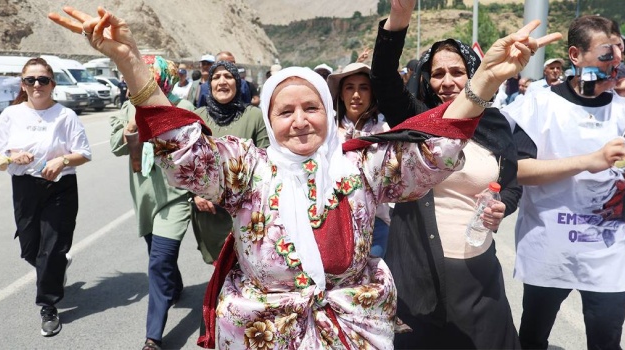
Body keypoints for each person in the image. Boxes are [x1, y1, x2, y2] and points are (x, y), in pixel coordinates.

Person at [48, 6, 550, 347]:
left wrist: (485, 79)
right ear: (269, 119)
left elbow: (433, 151)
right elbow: (184, 151)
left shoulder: (363, 163)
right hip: (262, 330)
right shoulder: (247, 168)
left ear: (328, 114)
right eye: (285, 111)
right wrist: (130, 63)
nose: (300, 120)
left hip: (356, 324)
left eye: (311, 106)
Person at [369, 0, 549, 347]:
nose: (447, 81)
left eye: (457, 71)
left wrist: (501, 206)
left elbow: (510, 185)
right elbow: (383, 79)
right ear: (425, 77)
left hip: (479, 275)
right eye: (438, 73)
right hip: (417, 275)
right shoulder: (415, 121)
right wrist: (401, 17)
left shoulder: (496, 124)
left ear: (473, 75)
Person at [501, 15, 625, 350]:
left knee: (607, 341)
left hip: (608, 253)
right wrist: (589, 161)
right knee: (534, 338)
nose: (617, 61)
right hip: (550, 249)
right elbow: (519, 170)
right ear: (575, 56)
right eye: (606, 53)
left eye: (620, 52)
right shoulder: (540, 104)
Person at [0, 57, 92, 337]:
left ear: (52, 84)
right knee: (30, 249)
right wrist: (11, 157)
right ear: (22, 84)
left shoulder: (65, 116)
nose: (36, 85)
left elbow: (84, 153)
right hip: (24, 187)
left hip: (59, 188)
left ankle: (48, 306)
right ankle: (58, 266)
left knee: (52, 248)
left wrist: (62, 161)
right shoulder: (11, 115)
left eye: (42, 80)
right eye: (30, 80)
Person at [109, 55, 192, 350]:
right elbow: (115, 147)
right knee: (159, 256)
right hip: (144, 197)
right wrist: (132, 123)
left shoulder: (182, 109)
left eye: (146, 79)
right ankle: (176, 285)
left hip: (176, 197)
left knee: (157, 262)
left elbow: (191, 151)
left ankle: (152, 337)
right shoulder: (126, 108)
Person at [190, 59, 269, 264]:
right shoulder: (196, 118)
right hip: (209, 212)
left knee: (247, 268)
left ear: (237, 82)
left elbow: (266, 161)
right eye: (216, 77)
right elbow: (185, 162)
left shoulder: (253, 116)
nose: (222, 81)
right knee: (219, 268)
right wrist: (196, 195)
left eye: (228, 76)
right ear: (209, 84)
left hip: (245, 211)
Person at [326, 62, 391, 258]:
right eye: (349, 88)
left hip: (375, 223)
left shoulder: (385, 132)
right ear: (341, 94)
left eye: (364, 88)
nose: (356, 95)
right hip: (333, 222)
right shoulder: (327, 133)